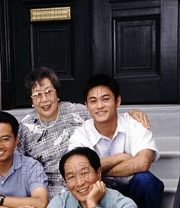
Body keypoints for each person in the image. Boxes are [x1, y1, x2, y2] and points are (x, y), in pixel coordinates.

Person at [68, 73, 164, 208]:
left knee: (145, 181)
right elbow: (79, 173)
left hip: (133, 190)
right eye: (93, 101)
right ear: (86, 106)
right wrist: (119, 157)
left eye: (105, 99)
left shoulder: (134, 124)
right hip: (100, 194)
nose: (99, 106)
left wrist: (99, 170)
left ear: (118, 101)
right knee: (84, 189)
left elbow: (143, 162)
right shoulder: (81, 134)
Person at [18, 66, 150, 200]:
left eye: (48, 92)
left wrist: (132, 114)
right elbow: (19, 165)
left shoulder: (77, 112)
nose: (45, 99)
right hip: (48, 191)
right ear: (31, 101)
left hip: (84, 183)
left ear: (57, 94)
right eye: (37, 95)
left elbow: (106, 114)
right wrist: (117, 158)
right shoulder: (25, 128)